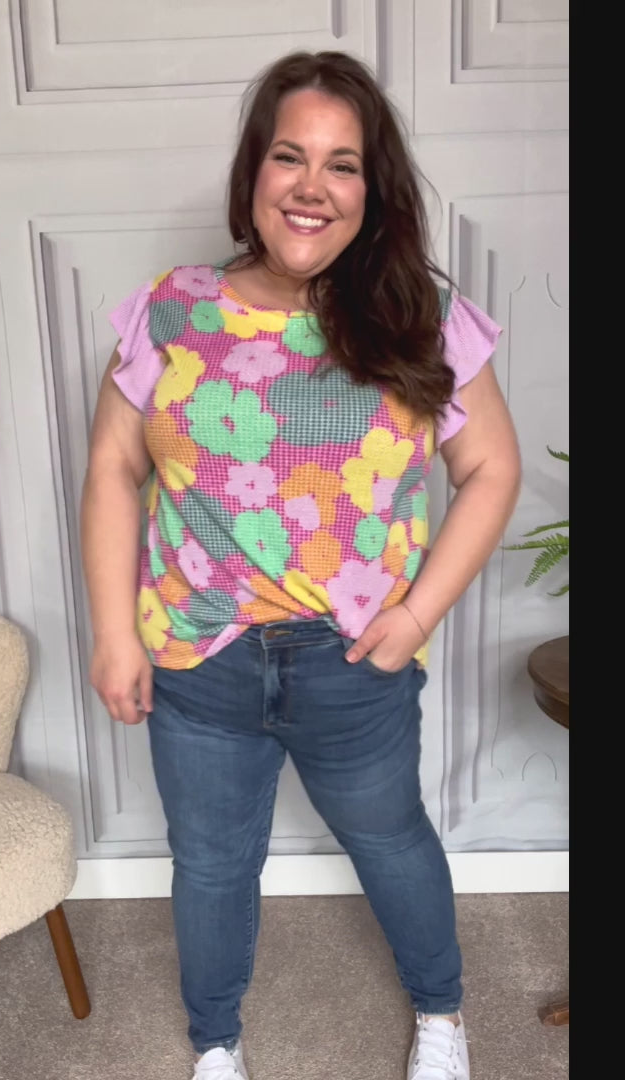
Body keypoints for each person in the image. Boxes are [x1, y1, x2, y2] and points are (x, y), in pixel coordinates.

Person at [81, 50, 521, 1080]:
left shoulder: (418, 314)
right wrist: (113, 633)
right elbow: (111, 467)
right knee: (210, 864)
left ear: (372, 188)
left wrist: (416, 616)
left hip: (351, 664)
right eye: (290, 156)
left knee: (392, 842)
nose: (312, 186)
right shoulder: (173, 310)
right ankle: (217, 1045)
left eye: (342, 164)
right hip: (198, 662)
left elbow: (491, 468)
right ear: (254, 171)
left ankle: (443, 1016)